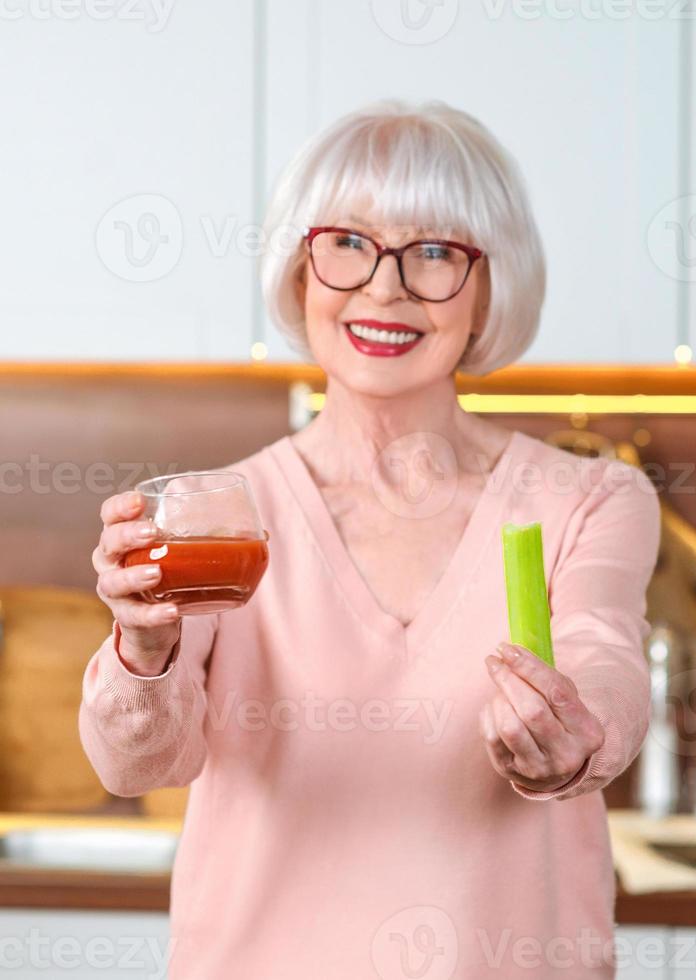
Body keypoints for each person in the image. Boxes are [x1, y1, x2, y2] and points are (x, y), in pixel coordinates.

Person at [80, 99, 661, 978]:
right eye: (346, 243)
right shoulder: (222, 514)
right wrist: (144, 647)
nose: (382, 287)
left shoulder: (586, 497)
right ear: (301, 272)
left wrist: (580, 736)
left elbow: (603, 653)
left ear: (489, 289)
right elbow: (136, 763)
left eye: (434, 252)